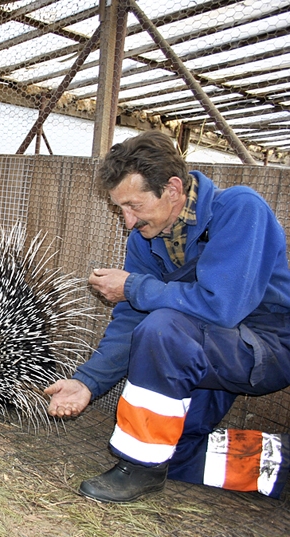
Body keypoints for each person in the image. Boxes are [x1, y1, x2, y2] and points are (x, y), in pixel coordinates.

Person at [45, 130, 290, 503]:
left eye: (133, 205)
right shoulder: (145, 238)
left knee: (162, 328)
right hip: (205, 351)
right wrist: (88, 382)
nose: (128, 221)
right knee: (171, 453)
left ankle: (138, 468)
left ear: (172, 189)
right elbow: (130, 319)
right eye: (120, 209)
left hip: (267, 346)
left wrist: (134, 287)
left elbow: (222, 307)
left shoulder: (240, 208)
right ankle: (281, 461)